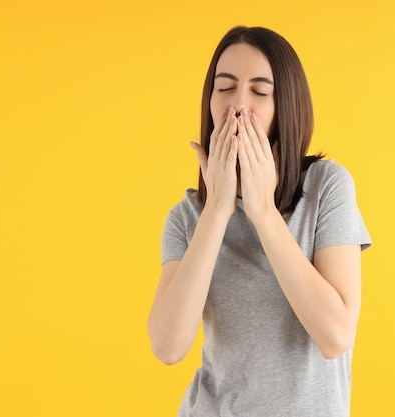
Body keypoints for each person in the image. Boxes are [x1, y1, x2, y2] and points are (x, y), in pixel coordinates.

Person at [147, 26, 371, 417]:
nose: (238, 105)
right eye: (225, 87)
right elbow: (168, 346)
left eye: (260, 92)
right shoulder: (187, 218)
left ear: (286, 106)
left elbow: (335, 336)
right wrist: (216, 209)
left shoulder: (327, 189)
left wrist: (263, 212)